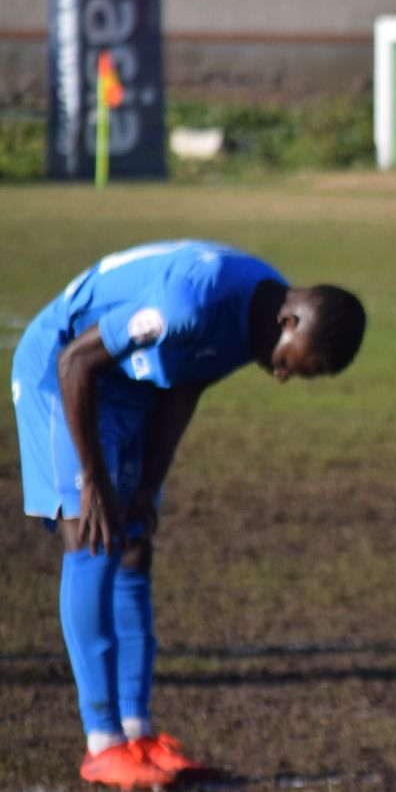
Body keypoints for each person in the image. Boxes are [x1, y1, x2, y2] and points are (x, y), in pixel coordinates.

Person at [10, 239, 366, 789]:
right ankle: (102, 744)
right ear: (290, 320)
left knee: (133, 543)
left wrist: (147, 487)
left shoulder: (256, 314)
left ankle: (137, 734)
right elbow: (75, 359)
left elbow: (185, 385)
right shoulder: (188, 303)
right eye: (297, 366)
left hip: (129, 385)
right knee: (92, 539)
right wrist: (97, 481)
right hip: (64, 376)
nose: (280, 377)